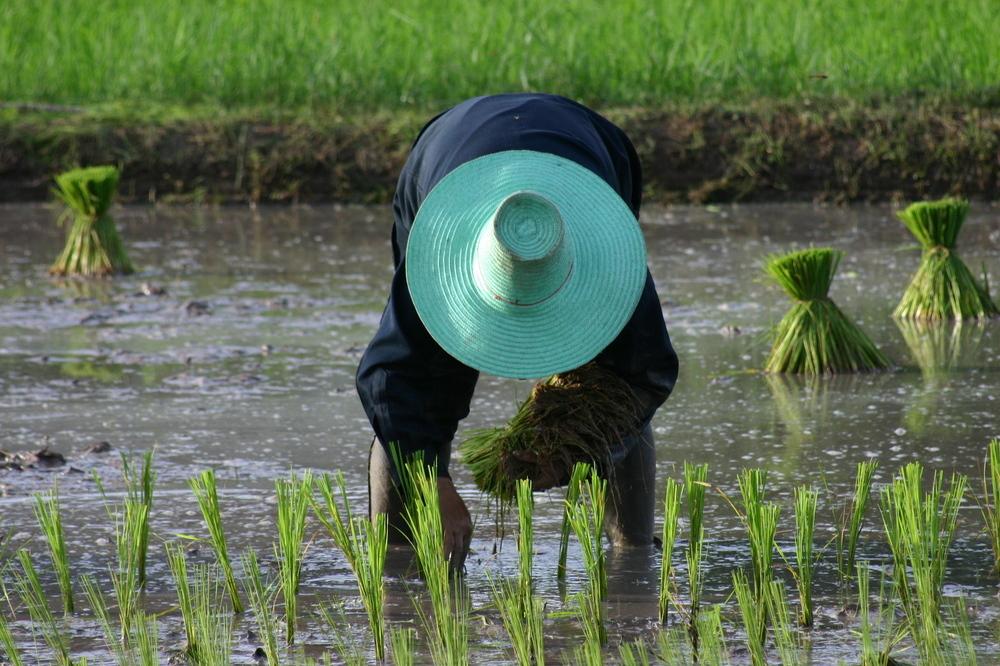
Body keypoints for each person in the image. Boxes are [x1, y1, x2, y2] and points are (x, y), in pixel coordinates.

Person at [356, 93, 678, 569]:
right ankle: (395, 558)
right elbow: (392, 379)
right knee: (423, 383)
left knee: (609, 376)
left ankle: (633, 556)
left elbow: (641, 372)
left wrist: (573, 439)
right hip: (446, 151)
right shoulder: (435, 259)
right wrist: (434, 488)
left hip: (589, 145)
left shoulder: (609, 258)